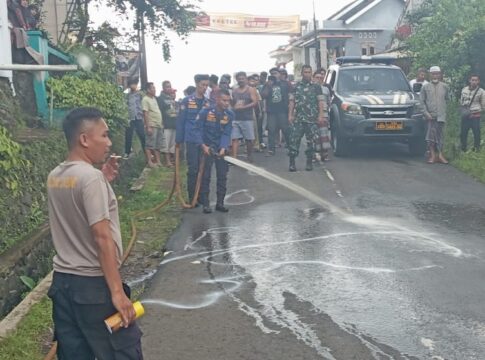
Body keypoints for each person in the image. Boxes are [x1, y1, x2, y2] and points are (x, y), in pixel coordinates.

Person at [47, 107, 143, 360]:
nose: (109, 142)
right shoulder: (90, 179)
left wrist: (103, 181)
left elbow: (74, 205)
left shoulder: (56, 176)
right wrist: (117, 293)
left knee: (76, 353)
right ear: (84, 139)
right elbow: (101, 237)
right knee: (122, 351)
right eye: (105, 135)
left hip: (64, 285)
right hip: (93, 288)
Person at [194, 89, 234, 214]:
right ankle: (206, 204)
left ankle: (220, 203)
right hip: (207, 148)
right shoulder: (205, 112)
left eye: (228, 101)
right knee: (205, 176)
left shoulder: (230, 114)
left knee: (222, 176)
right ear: (217, 99)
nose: (226, 103)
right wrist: (203, 146)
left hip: (221, 148)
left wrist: (223, 147)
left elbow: (227, 132)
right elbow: (197, 130)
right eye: (224, 100)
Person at [176, 74, 210, 204]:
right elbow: (180, 121)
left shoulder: (207, 102)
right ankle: (192, 198)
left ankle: (202, 196)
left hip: (204, 140)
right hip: (191, 139)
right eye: (203, 85)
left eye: (207, 85)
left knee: (205, 169)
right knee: (193, 169)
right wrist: (179, 140)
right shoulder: (186, 101)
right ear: (196, 84)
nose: (205, 88)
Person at [288, 65, 327, 172]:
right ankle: (292, 163)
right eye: (305, 72)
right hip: (298, 119)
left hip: (312, 119)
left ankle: (309, 162)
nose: (307, 74)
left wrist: (320, 115)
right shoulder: (295, 86)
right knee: (294, 141)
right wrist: (290, 115)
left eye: (309, 72)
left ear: (311, 73)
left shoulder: (316, 87)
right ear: (302, 73)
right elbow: (291, 101)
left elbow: (320, 102)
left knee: (312, 142)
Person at [420, 66, 450, 164]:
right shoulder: (425, 87)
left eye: (437, 73)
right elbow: (421, 102)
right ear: (430, 75)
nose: (435, 75)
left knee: (440, 136)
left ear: (440, 74)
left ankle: (440, 156)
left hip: (441, 116)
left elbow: (448, 100)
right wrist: (426, 113)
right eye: (433, 74)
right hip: (430, 117)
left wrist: (445, 112)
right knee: (431, 137)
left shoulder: (445, 86)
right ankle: (432, 156)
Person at [261, 67, 291, 156]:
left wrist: (291, 110)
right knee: (271, 130)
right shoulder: (267, 84)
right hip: (271, 111)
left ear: (279, 74)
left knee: (286, 130)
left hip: (283, 110)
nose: (274, 75)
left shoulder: (285, 84)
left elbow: (291, 95)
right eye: (272, 73)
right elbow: (263, 96)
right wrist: (268, 86)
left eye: (275, 73)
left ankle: (290, 147)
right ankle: (271, 150)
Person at [231, 71, 259, 162]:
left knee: (249, 139)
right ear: (236, 80)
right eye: (239, 79)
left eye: (243, 79)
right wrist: (233, 107)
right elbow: (233, 102)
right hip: (236, 117)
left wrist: (243, 107)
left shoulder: (251, 89)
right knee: (235, 138)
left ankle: (249, 155)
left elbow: (255, 102)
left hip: (247, 117)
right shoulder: (234, 91)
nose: (241, 80)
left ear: (246, 79)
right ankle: (234, 158)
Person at [460, 74, 485, 152]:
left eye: (476, 80)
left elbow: (483, 106)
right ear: (469, 80)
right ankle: (463, 149)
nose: (474, 82)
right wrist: (463, 111)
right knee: (463, 133)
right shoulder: (464, 89)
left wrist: (474, 112)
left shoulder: (482, 92)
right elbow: (461, 102)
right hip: (465, 115)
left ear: (478, 81)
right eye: (472, 80)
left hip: (475, 115)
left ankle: (476, 149)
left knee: (476, 133)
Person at [123, 78, 146, 161]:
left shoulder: (140, 94)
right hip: (130, 118)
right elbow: (125, 106)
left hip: (139, 118)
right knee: (128, 136)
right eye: (132, 84)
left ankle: (146, 152)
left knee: (142, 136)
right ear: (129, 86)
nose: (134, 86)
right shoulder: (127, 96)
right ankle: (127, 152)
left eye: (135, 84)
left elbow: (144, 105)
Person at [142, 82, 163, 168]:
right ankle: (150, 162)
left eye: (154, 88)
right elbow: (145, 113)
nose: (154, 90)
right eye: (152, 88)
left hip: (158, 125)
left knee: (157, 145)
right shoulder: (145, 99)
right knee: (149, 145)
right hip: (152, 125)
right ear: (148, 90)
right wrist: (148, 126)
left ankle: (158, 161)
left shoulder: (154, 99)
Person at [157, 80, 177, 167]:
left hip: (173, 124)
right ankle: (167, 162)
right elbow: (160, 111)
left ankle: (171, 160)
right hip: (166, 124)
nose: (169, 88)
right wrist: (161, 123)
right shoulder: (160, 98)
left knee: (172, 144)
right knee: (166, 144)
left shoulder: (170, 98)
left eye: (170, 86)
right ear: (163, 88)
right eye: (167, 87)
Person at [313, 70, 332, 161]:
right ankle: (315, 154)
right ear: (313, 78)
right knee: (314, 135)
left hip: (324, 114)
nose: (319, 79)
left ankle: (325, 153)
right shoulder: (310, 88)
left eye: (321, 78)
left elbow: (328, 102)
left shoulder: (326, 89)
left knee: (324, 134)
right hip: (312, 114)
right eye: (317, 77)